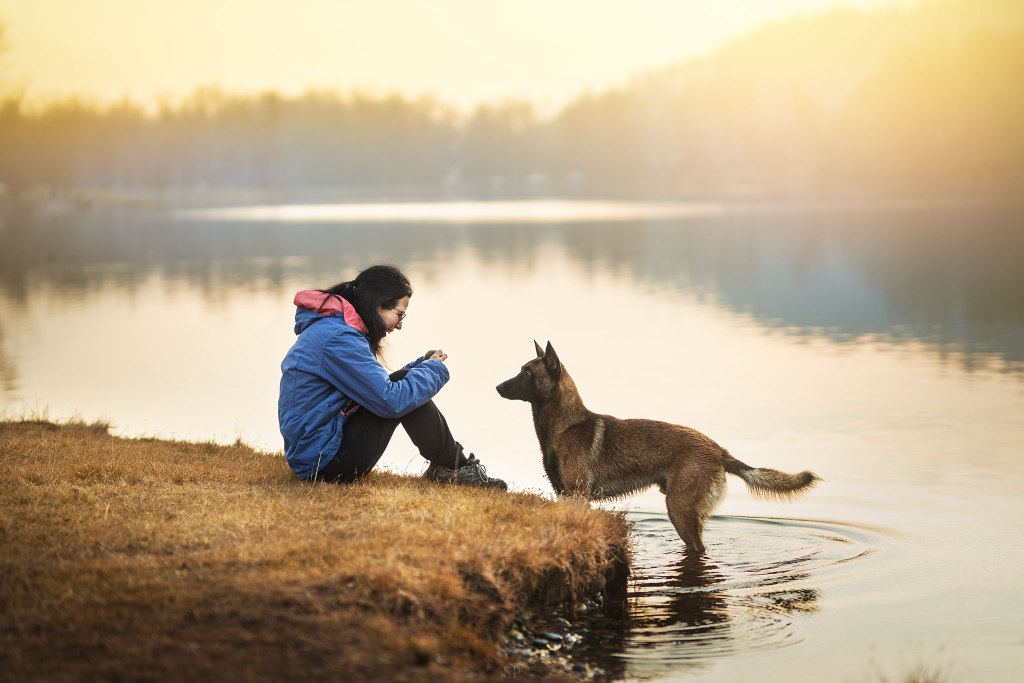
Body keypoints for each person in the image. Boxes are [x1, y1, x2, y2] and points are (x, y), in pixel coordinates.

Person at [278, 264, 507, 489]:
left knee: (407, 383)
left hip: (318, 452)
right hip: (324, 463)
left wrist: (419, 367)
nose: (399, 326)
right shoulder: (339, 338)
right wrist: (432, 370)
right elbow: (390, 400)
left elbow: (374, 387)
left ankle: (450, 466)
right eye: (399, 314)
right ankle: (453, 468)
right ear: (377, 304)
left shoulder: (335, 330)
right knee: (404, 390)